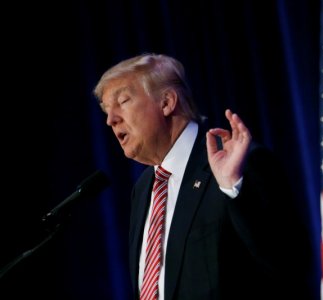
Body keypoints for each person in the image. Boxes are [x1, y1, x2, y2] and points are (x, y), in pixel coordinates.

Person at [93, 53, 312, 299]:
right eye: (106, 111)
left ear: (166, 102)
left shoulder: (238, 162)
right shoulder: (144, 189)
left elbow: (290, 265)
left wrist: (233, 188)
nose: (111, 120)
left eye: (122, 101)